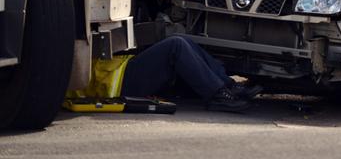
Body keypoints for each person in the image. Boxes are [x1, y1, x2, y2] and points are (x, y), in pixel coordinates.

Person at [69, 35, 262, 112]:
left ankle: (228, 86)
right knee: (175, 46)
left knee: (182, 40)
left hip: (120, 69)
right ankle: (219, 96)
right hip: (114, 83)